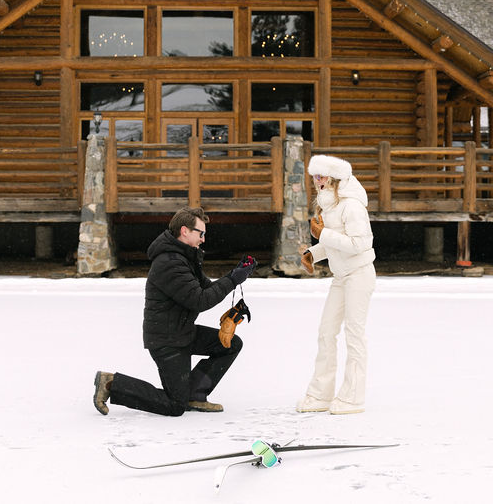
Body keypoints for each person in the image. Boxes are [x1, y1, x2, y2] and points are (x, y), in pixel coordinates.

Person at [93, 207, 256, 416]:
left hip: (182, 332)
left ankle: (195, 394)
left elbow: (205, 288)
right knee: (175, 405)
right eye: (201, 233)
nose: (204, 239)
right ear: (185, 231)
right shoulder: (169, 263)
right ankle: (111, 383)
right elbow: (199, 300)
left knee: (231, 344)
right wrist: (232, 280)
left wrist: (235, 273)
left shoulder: (185, 257)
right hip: (167, 341)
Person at [296, 154, 376, 415]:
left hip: (359, 275)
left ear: (333, 178)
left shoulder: (352, 206)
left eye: (320, 176)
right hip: (341, 277)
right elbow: (334, 242)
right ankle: (320, 395)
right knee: (326, 332)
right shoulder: (328, 206)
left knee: (354, 335)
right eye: (315, 176)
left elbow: (360, 244)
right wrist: (313, 253)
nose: (316, 181)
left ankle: (353, 398)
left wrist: (323, 234)